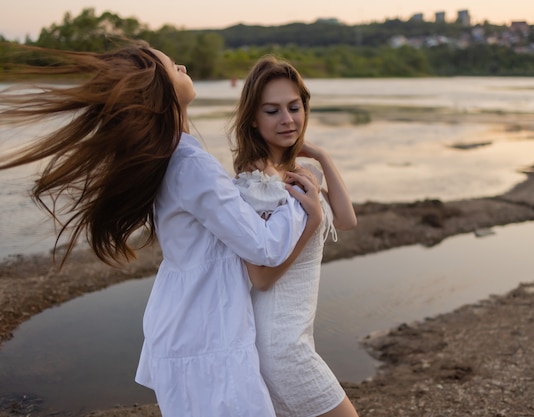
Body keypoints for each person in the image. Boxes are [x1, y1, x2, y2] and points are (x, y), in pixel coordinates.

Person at [0, 42, 323, 417]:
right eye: (173, 66)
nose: (183, 64)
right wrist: (303, 207)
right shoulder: (190, 164)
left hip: (188, 324)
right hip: (206, 330)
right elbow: (264, 248)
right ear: (161, 88)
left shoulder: (170, 157)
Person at [228, 55, 359, 417]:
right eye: (272, 111)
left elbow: (347, 219)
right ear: (253, 119)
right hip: (280, 344)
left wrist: (320, 155)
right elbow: (261, 277)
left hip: (293, 336)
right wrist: (312, 223)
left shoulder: (295, 172)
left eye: (294, 107)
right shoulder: (258, 185)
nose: (287, 120)